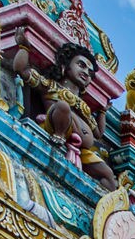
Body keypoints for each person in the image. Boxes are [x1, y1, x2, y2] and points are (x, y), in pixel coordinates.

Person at [13, 32, 116, 190]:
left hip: (82, 150)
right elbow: (21, 70)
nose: (86, 73)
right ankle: (59, 136)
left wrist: (102, 112)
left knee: (109, 177)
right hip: (56, 130)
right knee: (63, 106)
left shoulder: (84, 107)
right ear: (64, 66)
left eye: (90, 72)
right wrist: (24, 47)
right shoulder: (51, 86)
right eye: (81, 65)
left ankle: (89, 196)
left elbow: (98, 133)